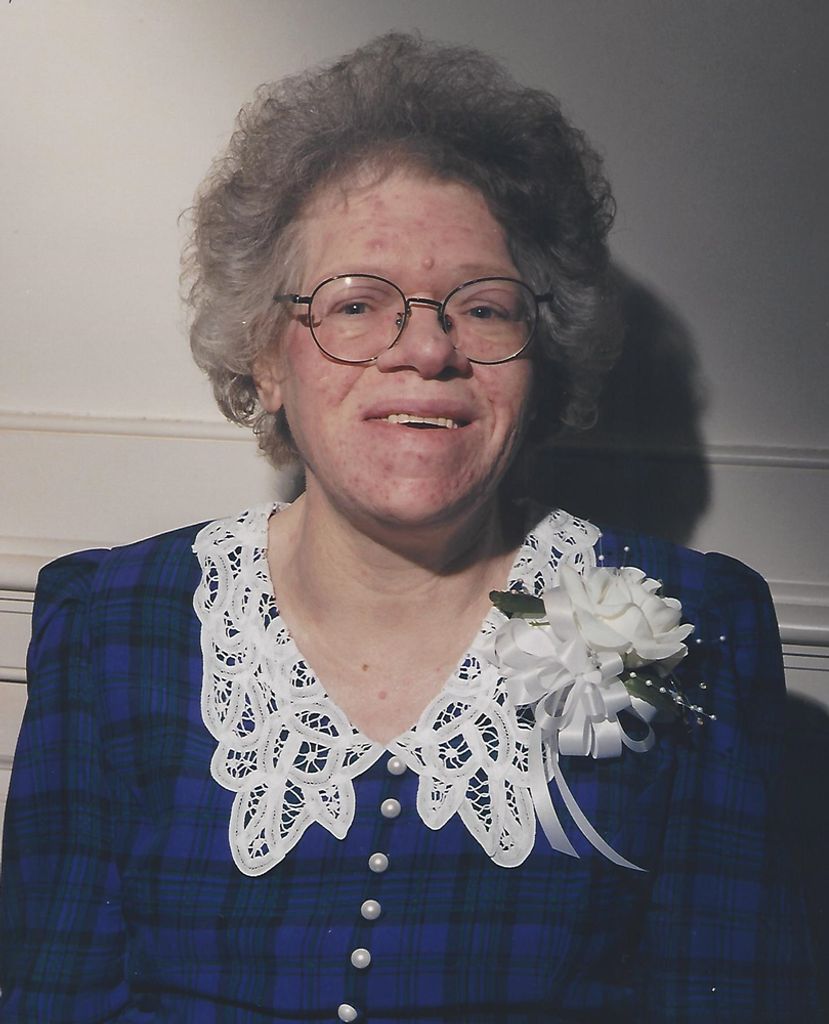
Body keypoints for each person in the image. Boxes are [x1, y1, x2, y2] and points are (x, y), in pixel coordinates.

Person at [0, 32, 818, 1024]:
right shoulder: (113, 625)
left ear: (540, 358)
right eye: (356, 303)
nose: (426, 348)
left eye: (483, 307)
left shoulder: (686, 626)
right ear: (267, 358)